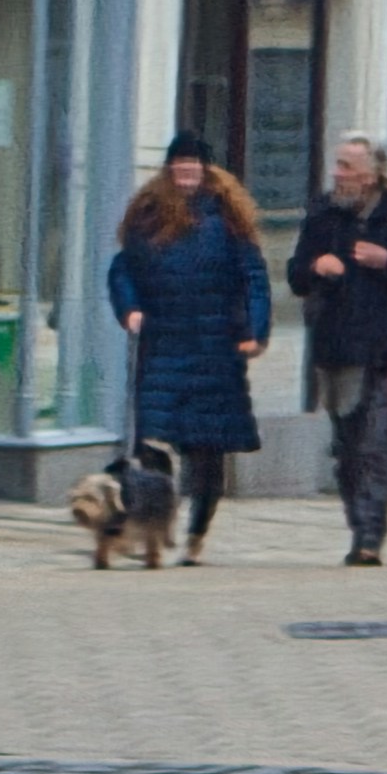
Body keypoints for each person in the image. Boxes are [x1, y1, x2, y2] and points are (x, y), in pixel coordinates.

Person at [106, 133, 267, 564]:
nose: (186, 170)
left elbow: (253, 276)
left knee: (206, 449)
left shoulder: (229, 218)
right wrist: (130, 308)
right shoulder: (148, 215)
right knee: (152, 441)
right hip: (163, 342)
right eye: (179, 163)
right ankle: (158, 521)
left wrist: (255, 330)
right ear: (169, 168)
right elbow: (123, 269)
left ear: (207, 168)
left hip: (217, 348)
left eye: (193, 162)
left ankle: (198, 532)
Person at [288, 136, 387, 569]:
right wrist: (316, 267)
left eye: (347, 167)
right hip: (335, 348)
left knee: (376, 444)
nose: (337, 174)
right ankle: (358, 521)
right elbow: (295, 275)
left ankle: (369, 536)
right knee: (346, 448)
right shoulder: (322, 214)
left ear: (372, 175)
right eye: (337, 165)